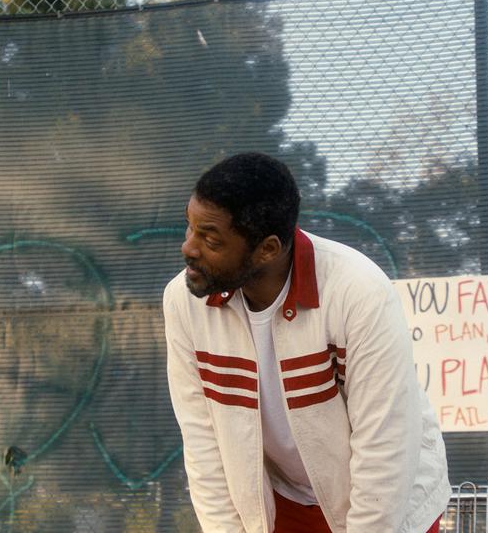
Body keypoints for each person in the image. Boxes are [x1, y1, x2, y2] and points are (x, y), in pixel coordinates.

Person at [164, 152, 450, 532]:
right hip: (285, 504)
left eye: (210, 238)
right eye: (190, 227)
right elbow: (204, 444)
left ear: (267, 249)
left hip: (388, 501)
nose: (189, 248)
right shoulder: (184, 302)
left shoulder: (357, 291)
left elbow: (386, 447)